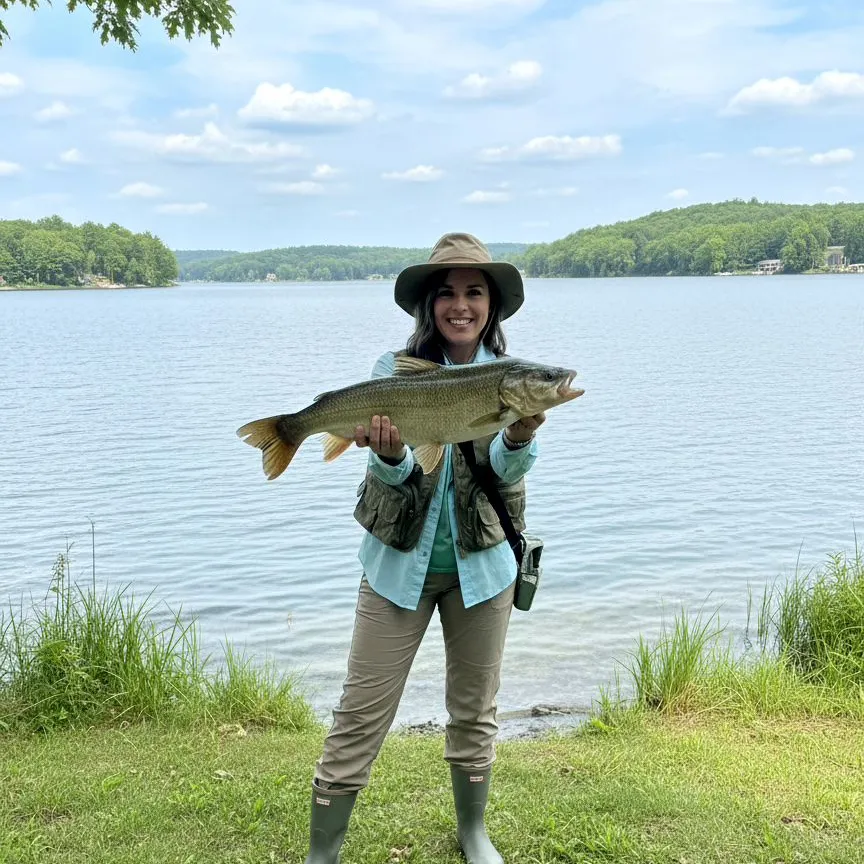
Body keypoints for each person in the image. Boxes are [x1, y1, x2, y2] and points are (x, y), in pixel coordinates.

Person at [303, 233, 545, 864]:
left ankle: (473, 834)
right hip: (395, 570)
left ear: (492, 305)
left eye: (474, 292)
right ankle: (322, 853)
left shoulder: (508, 383)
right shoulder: (392, 371)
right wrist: (388, 454)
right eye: (447, 293)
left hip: (484, 571)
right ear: (428, 305)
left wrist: (519, 433)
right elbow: (398, 474)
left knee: (474, 713)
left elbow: (502, 470)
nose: (460, 306)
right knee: (360, 712)